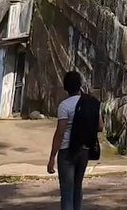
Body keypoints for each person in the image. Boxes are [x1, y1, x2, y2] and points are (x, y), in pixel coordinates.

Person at [48, 71, 102, 210]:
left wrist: (52, 156)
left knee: (67, 191)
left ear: (65, 87)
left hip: (67, 151)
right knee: (77, 188)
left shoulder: (64, 106)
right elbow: (100, 126)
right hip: (84, 150)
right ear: (80, 86)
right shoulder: (91, 103)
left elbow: (60, 132)